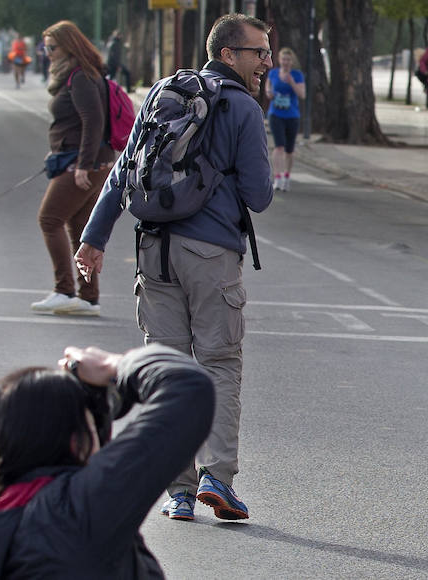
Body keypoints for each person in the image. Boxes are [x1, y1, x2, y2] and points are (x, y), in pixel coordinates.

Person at [75, 13, 274, 521]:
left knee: (164, 368)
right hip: (210, 253)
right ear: (228, 54)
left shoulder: (166, 92)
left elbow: (124, 172)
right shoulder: (242, 107)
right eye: (259, 53)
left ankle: (178, 491)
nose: (267, 62)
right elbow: (258, 195)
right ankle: (218, 478)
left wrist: (94, 239)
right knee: (219, 364)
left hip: (153, 250)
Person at [0, 343, 215, 579]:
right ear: (74, 440)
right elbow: (188, 387)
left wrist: (92, 402)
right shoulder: (80, 510)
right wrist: (113, 365)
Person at [30, 20, 115, 316]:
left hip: (84, 163)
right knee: (79, 226)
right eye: (46, 47)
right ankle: (89, 297)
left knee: (49, 219)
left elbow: (93, 122)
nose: (47, 52)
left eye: (52, 47)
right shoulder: (76, 74)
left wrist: (84, 165)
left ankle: (64, 290)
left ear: (69, 46)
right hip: (81, 159)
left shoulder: (80, 76)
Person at [265, 46, 305, 191]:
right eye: (283, 59)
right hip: (276, 114)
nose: (286, 62)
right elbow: (268, 89)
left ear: (292, 61)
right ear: (279, 60)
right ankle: (278, 177)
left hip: (292, 115)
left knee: (289, 149)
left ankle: (287, 176)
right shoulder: (273, 73)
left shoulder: (297, 75)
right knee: (279, 146)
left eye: (288, 60)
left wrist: (292, 82)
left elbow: (302, 94)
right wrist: (269, 93)